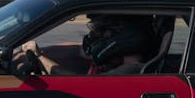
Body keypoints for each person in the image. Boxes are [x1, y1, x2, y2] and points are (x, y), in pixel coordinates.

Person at [17, 14, 155, 75]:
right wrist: (29, 53)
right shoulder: (111, 57)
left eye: (103, 29)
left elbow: (82, 85)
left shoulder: (131, 68)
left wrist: (40, 57)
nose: (99, 34)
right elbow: (78, 51)